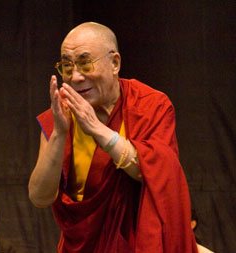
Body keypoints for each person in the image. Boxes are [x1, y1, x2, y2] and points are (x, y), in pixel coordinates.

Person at [28, 22, 198, 252]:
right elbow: (40, 197)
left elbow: (158, 175)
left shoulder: (151, 106)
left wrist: (96, 129)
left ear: (115, 63)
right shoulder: (59, 117)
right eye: (67, 66)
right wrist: (59, 133)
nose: (75, 77)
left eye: (85, 64)